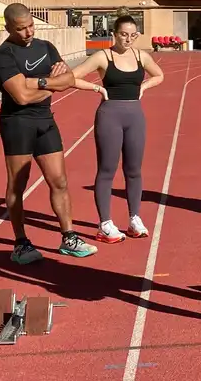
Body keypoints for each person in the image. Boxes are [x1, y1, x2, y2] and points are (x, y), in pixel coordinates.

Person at [0, 3, 97, 264]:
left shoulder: (46, 47)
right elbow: (22, 97)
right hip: (17, 123)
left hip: (45, 120)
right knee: (18, 184)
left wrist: (37, 82)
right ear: (8, 28)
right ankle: (21, 243)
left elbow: (69, 79)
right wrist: (53, 84)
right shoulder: (4, 56)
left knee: (59, 181)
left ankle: (69, 237)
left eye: (31, 26)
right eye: (21, 29)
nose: (28, 32)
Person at [71, 14, 165, 243]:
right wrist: (97, 89)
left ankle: (134, 218)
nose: (128, 39)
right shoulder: (103, 57)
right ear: (114, 34)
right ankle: (105, 223)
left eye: (133, 35)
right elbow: (72, 78)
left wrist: (145, 86)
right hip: (110, 116)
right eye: (124, 34)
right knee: (107, 170)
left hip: (135, 117)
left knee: (134, 170)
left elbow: (159, 75)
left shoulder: (141, 56)